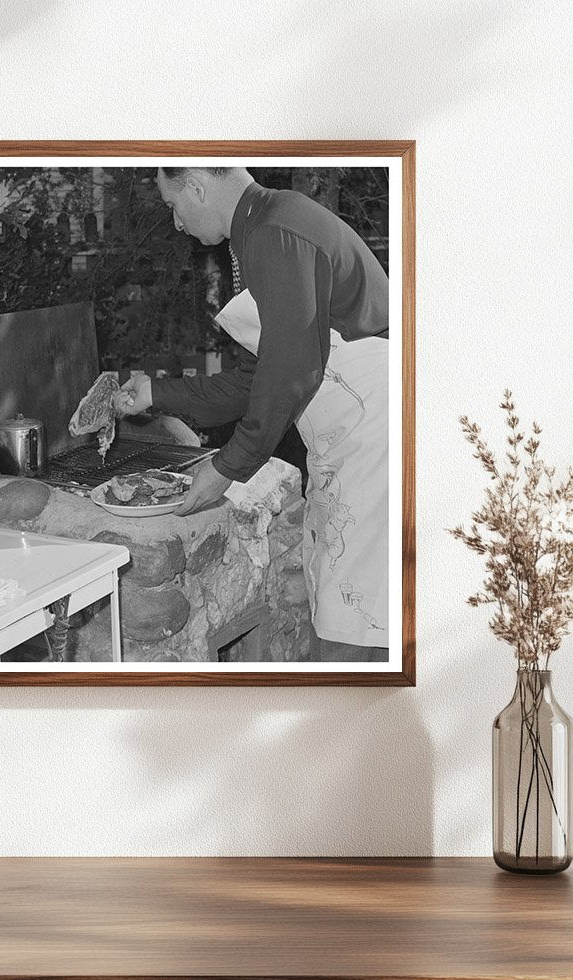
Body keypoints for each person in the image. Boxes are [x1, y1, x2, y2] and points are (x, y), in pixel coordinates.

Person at [117, 167, 390, 663]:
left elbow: (289, 372)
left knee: (362, 626)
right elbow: (253, 381)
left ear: (197, 187)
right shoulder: (255, 231)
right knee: (341, 606)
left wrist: (227, 468)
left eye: (172, 205)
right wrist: (156, 393)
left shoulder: (275, 231)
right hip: (347, 437)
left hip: (376, 438)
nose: (175, 223)